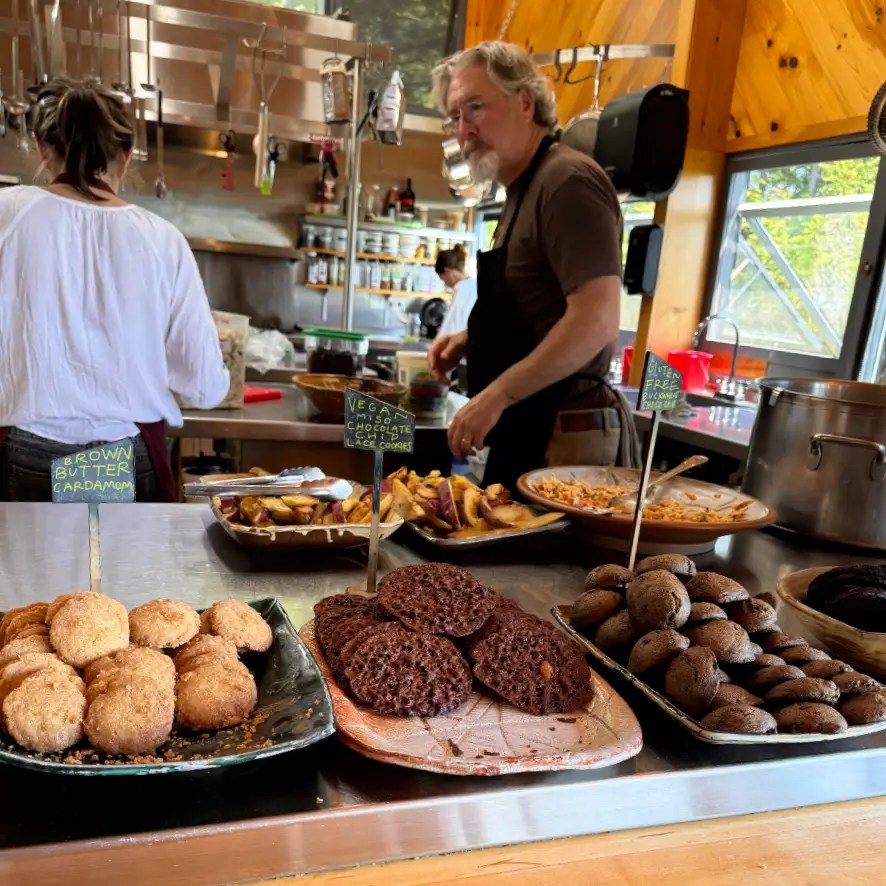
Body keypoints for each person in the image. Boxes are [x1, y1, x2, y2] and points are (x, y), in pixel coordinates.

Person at [0, 77, 230, 502]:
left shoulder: (7, 214)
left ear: (40, 145)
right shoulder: (161, 238)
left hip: (24, 447)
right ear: (125, 156)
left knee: (28, 571)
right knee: (119, 571)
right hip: (125, 450)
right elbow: (204, 383)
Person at [428, 42, 640, 491]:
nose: (463, 130)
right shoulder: (522, 190)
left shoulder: (566, 181)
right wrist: (471, 341)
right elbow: (540, 312)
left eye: (475, 108)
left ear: (524, 103)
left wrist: (498, 394)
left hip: (563, 435)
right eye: (455, 117)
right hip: (529, 424)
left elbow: (596, 320)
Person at [435, 244, 478, 337]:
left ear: (447, 272)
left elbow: (452, 331)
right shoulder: (473, 286)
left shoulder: (463, 292)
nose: (445, 284)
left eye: (443, 279)